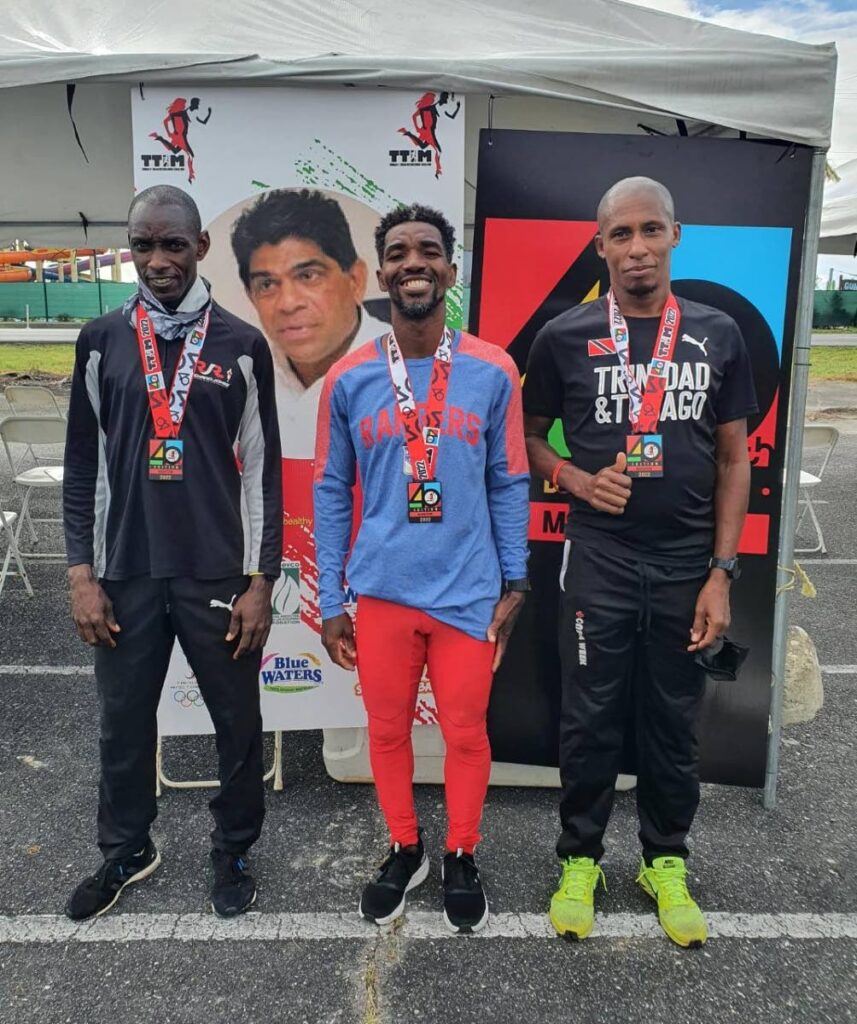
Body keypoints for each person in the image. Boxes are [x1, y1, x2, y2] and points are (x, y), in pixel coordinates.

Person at [523, 176, 756, 948]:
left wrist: (720, 572)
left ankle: (664, 861)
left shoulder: (718, 333)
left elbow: (733, 459)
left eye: (649, 230)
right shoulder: (562, 335)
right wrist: (573, 477)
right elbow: (525, 437)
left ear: (674, 236)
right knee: (588, 719)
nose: (636, 249)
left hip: (688, 566)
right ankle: (579, 860)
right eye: (619, 235)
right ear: (599, 247)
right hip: (600, 559)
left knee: (672, 723)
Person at [62, 184, 282, 922]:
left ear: (201, 247)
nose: (158, 260)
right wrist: (80, 574)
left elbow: (263, 469)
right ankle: (127, 848)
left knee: (236, 723)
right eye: (143, 245)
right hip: (124, 570)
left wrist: (261, 580)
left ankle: (234, 849)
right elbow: (81, 466)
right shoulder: (101, 339)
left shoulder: (241, 345)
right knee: (122, 724)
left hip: (216, 570)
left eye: (173, 244)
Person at [313, 203, 530, 933]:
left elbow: (509, 480)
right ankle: (405, 848)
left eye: (429, 250)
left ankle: (461, 851)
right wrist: (331, 599)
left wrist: (516, 580)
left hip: (467, 591)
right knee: (385, 731)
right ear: (381, 273)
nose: (415, 262)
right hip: (382, 593)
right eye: (400, 252)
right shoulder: (349, 379)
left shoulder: (493, 369)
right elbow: (330, 490)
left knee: (465, 733)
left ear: (450, 269)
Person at [230, 188, 388, 458]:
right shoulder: (243, 377)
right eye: (266, 284)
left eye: (308, 276)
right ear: (251, 297)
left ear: (356, 280)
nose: (288, 303)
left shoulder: (406, 367)